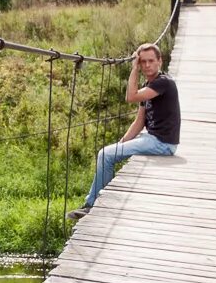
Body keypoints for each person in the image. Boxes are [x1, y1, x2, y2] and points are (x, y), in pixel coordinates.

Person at [67, 43, 179, 220]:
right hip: (153, 139)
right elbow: (139, 121)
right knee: (110, 153)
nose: (147, 65)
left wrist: (133, 69)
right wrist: (121, 144)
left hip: (162, 143)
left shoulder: (164, 83)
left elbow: (130, 97)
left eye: (151, 61)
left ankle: (92, 205)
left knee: (105, 154)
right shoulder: (149, 85)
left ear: (160, 61)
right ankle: (98, 201)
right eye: (143, 62)